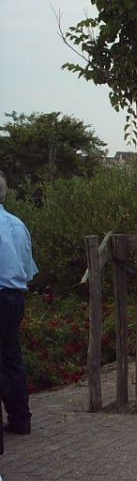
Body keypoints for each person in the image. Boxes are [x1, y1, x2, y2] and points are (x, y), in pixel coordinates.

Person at [0, 170, 39, 441]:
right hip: (15, 297)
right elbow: (28, 270)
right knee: (12, 357)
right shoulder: (17, 224)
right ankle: (20, 418)